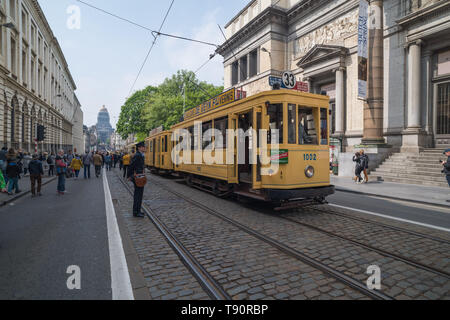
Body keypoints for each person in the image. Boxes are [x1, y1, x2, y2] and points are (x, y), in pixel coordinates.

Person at [128, 142, 146, 218]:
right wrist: (129, 175)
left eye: (144, 147)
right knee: (138, 195)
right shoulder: (137, 155)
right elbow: (131, 165)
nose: (144, 148)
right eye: (143, 147)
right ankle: (136, 212)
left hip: (140, 176)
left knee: (139, 194)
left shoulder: (140, 155)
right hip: (137, 177)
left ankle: (138, 211)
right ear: (139, 148)